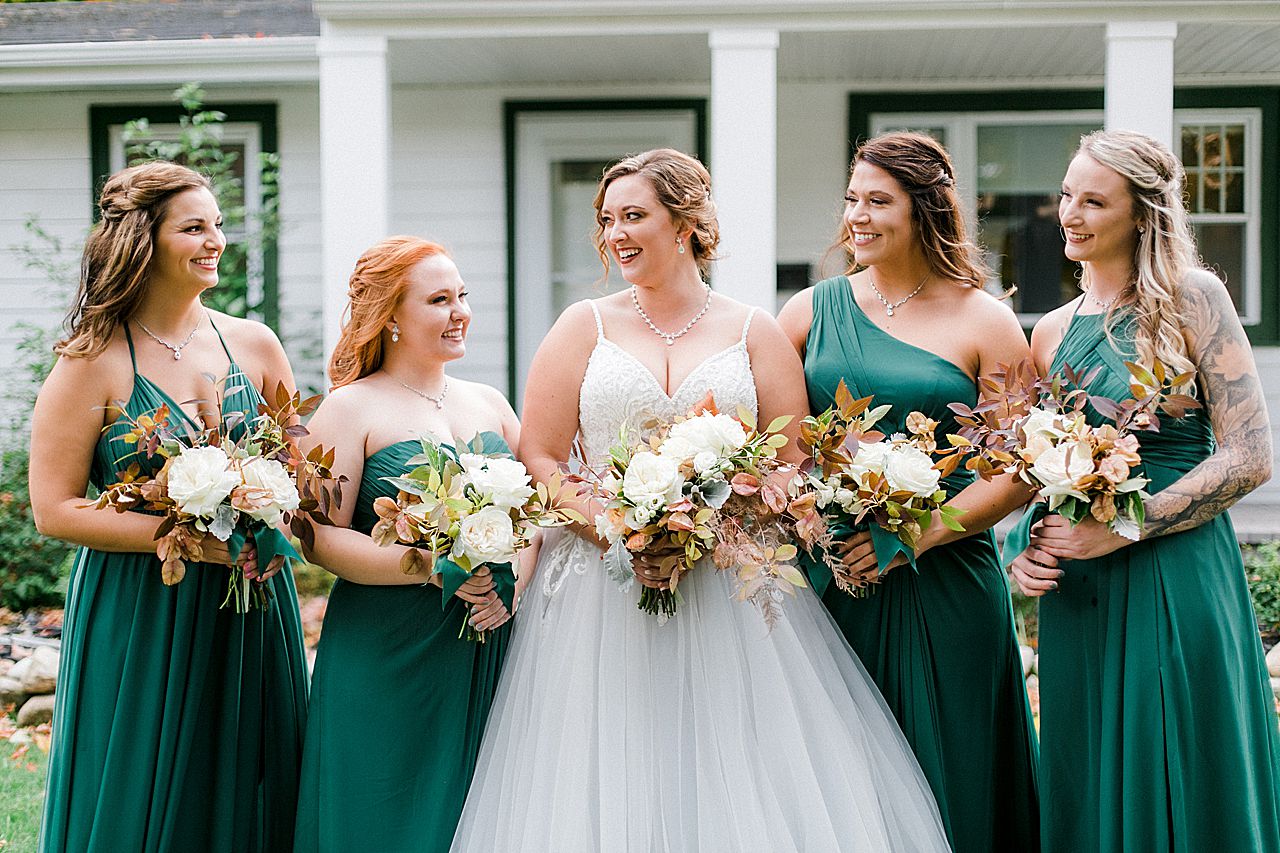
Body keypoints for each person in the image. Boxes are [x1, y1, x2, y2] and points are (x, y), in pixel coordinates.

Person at [451, 149, 950, 852]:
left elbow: (792, 461)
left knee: (736, 765)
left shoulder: (754, 331)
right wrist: (619, 530)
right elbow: (540, 457)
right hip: (597, 593)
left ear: (685, 222)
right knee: (602, 767)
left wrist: (712, 523)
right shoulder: (580, 326)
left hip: (730, 583)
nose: (615, 234)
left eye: (634, 216)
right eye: (606, 220)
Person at [1006, 129, 1280, 852]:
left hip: (1175, 573)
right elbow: (1038, 473)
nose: (1070, 213)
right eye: (1067, 194)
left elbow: (1251, 455)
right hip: (1083, 597)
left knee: (1180, 762)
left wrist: (1133, 523)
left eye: (1094, 200)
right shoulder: (1052, 332)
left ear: (1143, 214)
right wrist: (1024, 545)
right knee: (1088, 769)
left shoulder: (1194, 299)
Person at [30, 161, 308, 851]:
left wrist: (266, 506)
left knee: (252, 774)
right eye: (194, 227)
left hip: (251, 599)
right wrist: (181, 530)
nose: (217, 239)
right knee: (142, 784)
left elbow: (297, 474)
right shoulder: (90, 360)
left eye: (218, 224)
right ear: (142, 242)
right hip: (141, 605)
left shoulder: (253, 343)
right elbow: (55, 507)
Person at [778, 131, 1040, 853]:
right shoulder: (807, 311)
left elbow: (1015, 468)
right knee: (834, 774)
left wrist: (913, 535)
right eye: (852, 199)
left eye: (878, 201)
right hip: (835, 581)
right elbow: (774, 445)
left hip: (946, 579)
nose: (857, 216)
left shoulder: (983, 319)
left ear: (926, 209)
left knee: (949, 760)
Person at [292, 237, 521, 853]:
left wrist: (512, 585)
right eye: (439, 299)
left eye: (463, 297)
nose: (460, 312)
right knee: (380, 809)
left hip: (487, 635)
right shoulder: (349, 408)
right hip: (386, 643)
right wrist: (430, 566)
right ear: (390, 315)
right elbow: (317, 536)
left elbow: (538, 515)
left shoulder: (491, 404)